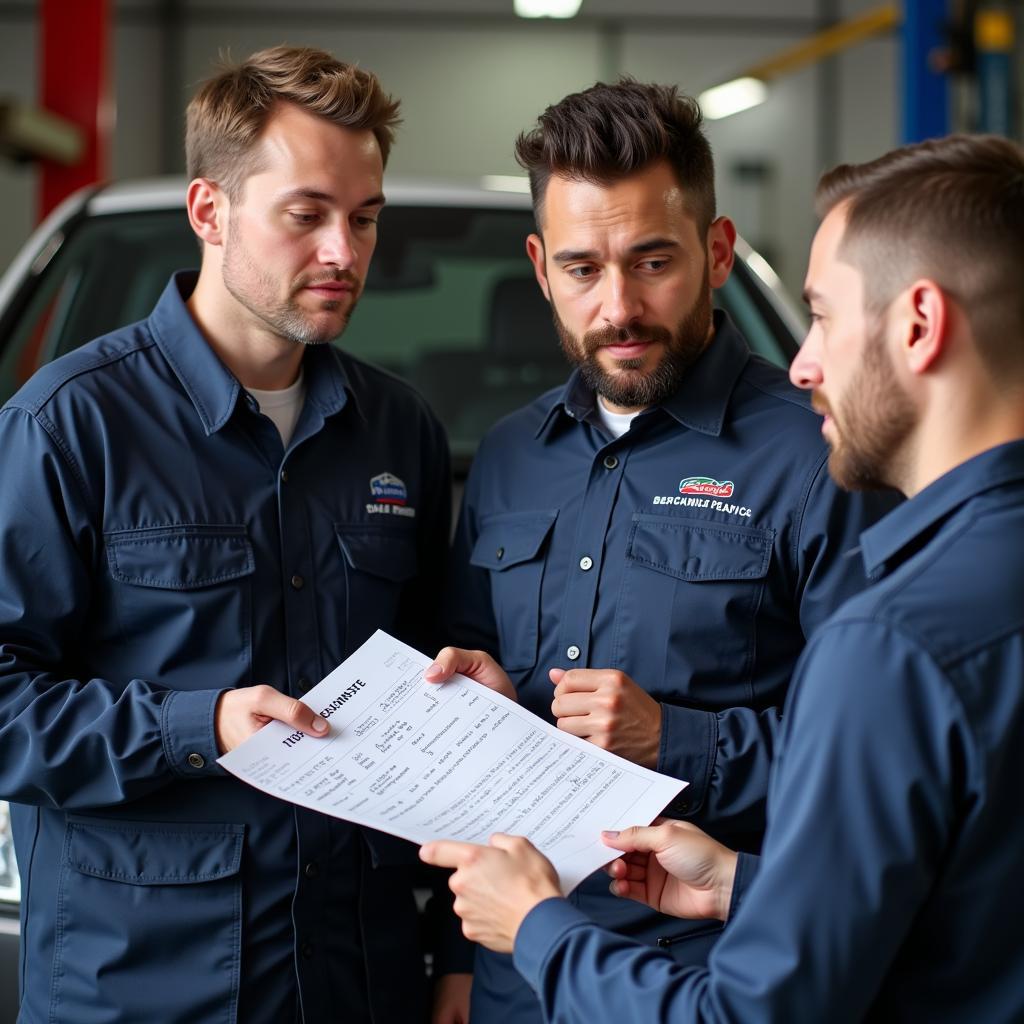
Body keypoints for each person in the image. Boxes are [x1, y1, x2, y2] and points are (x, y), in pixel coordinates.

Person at [421, 131, 1024, 1022]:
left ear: (716, 252)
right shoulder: (509, 455)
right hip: (531, 970)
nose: (619, 305)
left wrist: (677, 742)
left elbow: (865, 781)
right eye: (584, 269)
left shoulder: (833, 475)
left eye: (653, 261)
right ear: (541, 268)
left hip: (693, 969)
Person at [0, 46, 470, 1024]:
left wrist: (454, 950)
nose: (344, 251)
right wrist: (195, 725)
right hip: (138, 989)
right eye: (306, 215)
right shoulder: (70, 425)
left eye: (365, 217)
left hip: (356, 978)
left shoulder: (400, 432)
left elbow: (440, 690)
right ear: (210, 211)